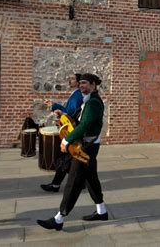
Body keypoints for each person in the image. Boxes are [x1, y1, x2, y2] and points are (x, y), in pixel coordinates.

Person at [37, 73, 107, 231]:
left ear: (94, 85)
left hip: (86, 147)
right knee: (91, 179)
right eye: (80, 83)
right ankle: (102, 211)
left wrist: (66, 140)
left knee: (73, 182)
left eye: (85, 83)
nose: (82, 85)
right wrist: (65, 116)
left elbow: (85, 126)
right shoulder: (88, 100)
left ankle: (59, 218)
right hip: (89, 146)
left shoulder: (94, 102)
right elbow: (80, 121)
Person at [40, 73, 84, 192]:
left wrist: (55, 106)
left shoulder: (77, 96)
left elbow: (69, 114)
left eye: (72, 79)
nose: (69, 81)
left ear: (78, 82)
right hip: (71, 131)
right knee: (70, 160)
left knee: (65, 159)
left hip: (72, 131)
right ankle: (79, 182)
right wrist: (55, 107)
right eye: (69, 78)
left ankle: (56, 185)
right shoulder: (75, 95)